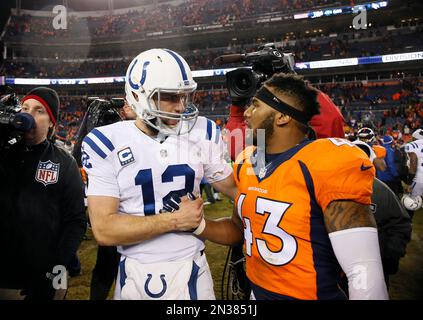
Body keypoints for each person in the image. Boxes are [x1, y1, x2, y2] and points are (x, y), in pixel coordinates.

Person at [198, 73, 389, 300]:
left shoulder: (324, 161)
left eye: (256, 106)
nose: (247, 114)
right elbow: (241, 230)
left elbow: (363, 271)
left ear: (281, 117)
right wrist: (197, 224)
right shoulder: (251, 159)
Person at [81, 49, 237, 300]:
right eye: (170, 97)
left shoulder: (202, 131)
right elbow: (104, 230)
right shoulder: (106, 141)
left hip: (192, 267)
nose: (181, 106)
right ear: (136, 96)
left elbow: (236, 190)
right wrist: (175, 220)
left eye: (185, 96)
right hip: (134, 269)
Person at [0, 87, 87, 300]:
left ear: (51, 123)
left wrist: (54, 272)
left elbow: (75, 221)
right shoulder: (3, 154)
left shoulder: (65, 163)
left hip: (48, 273)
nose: (28, 114)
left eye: (39, 110)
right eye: (25, 108)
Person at [347, 141, 411, 289]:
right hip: (339, 262)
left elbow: (400, 223)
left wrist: (390, 254)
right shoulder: (330, 185)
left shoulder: (382, 190)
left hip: (373, 261)